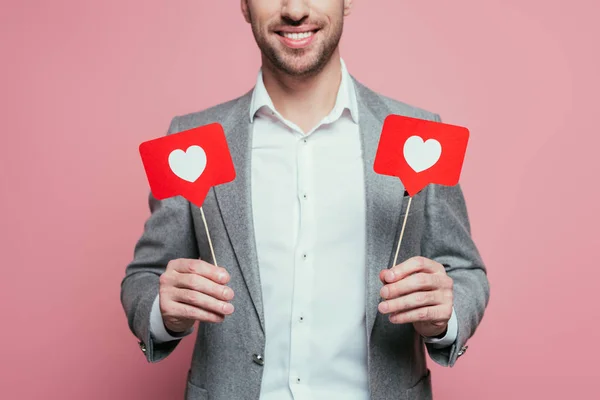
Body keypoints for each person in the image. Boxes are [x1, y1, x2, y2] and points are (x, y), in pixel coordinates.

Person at [120, 1, 490, 399]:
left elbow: (464, 270)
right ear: (244, 5)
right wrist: (164, 309)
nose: (295, 10)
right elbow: (145, 276)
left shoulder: (421, 137)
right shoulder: (190, 139)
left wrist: (443, 314)